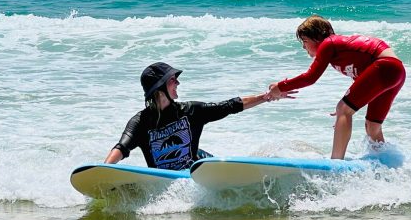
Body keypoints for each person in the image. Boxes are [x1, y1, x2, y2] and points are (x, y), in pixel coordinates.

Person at [105, 62, 295, 170]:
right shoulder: (140, 122)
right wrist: (103, 170)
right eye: (172, 79)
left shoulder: (190, 111)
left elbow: (229, 106)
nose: (177, 82)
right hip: (165, 177)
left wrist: (266, 97)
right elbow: (122, 147)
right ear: (159, 87)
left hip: (197, 168)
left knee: (212, 163)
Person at [268, 15, 405, 160]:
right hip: (397, 71)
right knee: (372, 126)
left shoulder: (328, 43)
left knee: (344, 109)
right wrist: (345, 110)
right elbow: (363, 80)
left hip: (385, 66)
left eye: (305, 41)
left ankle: (335, 162)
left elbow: (310, 77)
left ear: (317, 37)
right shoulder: (337, 50)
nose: (303, 46)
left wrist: (280, 86)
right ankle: (384, 159)